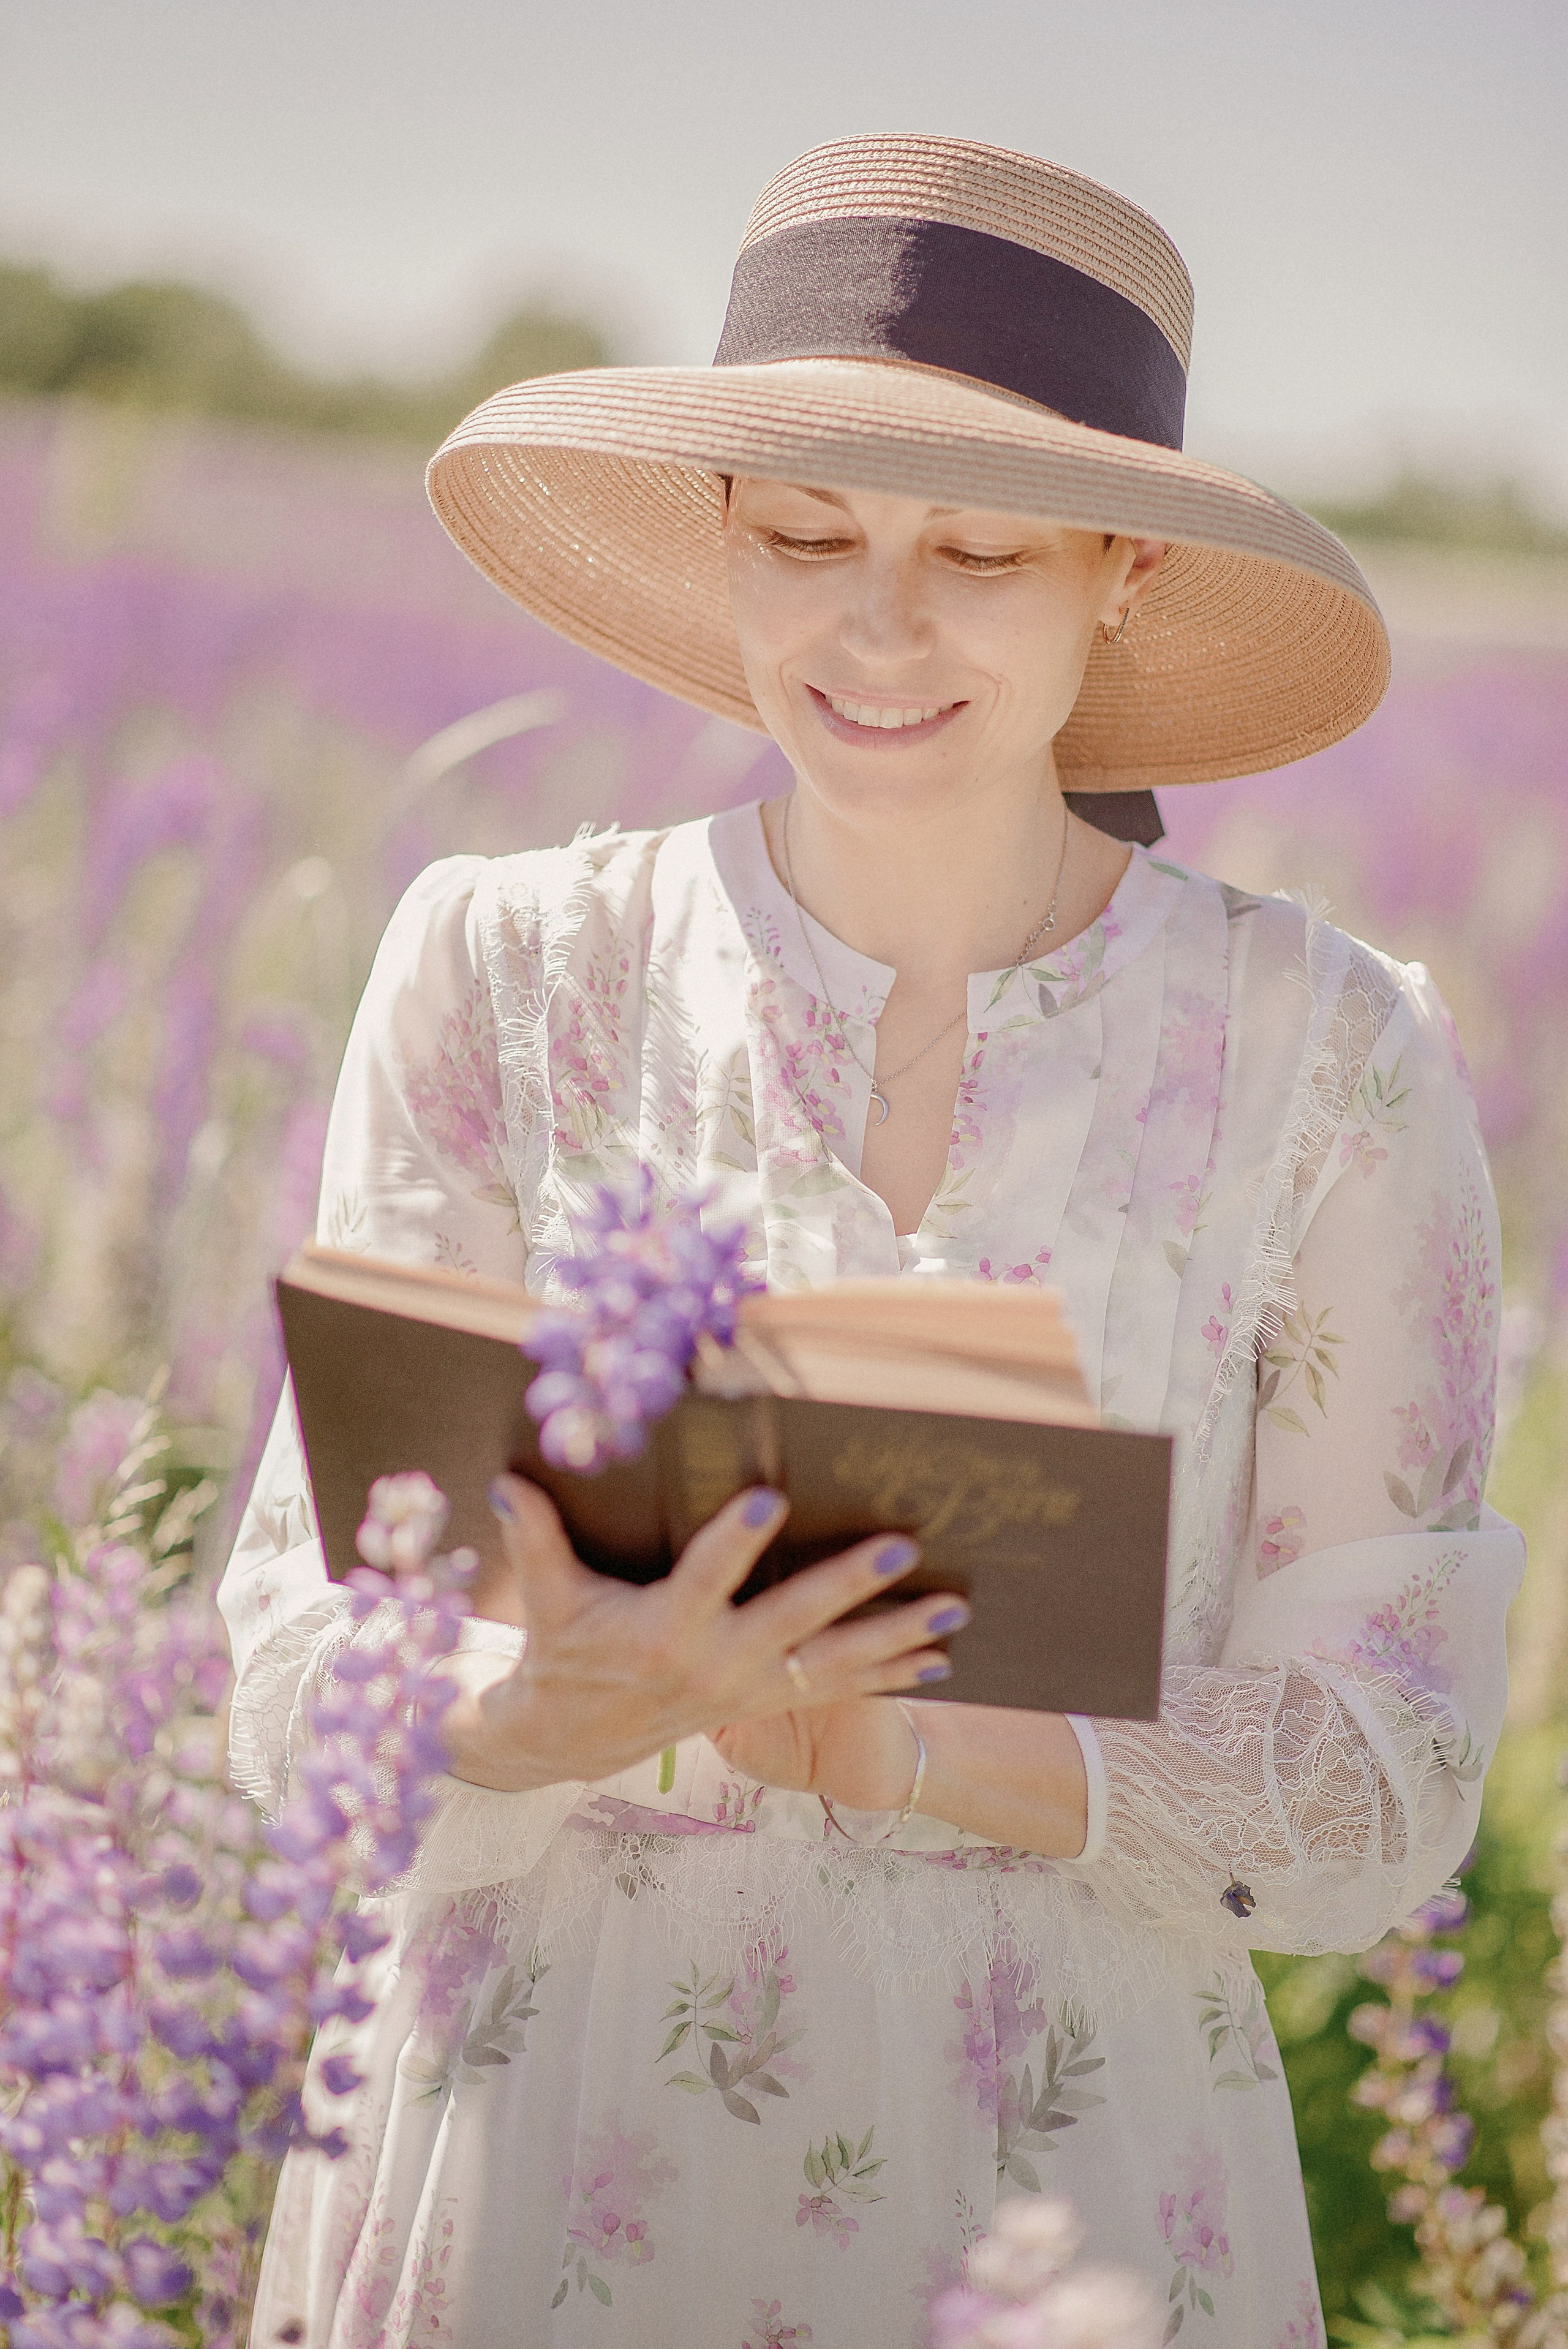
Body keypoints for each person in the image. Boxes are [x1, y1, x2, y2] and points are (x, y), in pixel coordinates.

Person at [219, 135, 1523, 2348]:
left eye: (980, 549)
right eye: (808, 534)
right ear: (722, 537)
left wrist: (915, 1744)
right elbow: (293, 1665)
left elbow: (1382, 1774)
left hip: (1073, 2167)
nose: (877, 624)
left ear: (1120, 566)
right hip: (541, 2123)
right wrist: (536, 1707)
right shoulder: (504, 968)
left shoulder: (1336, 1056)